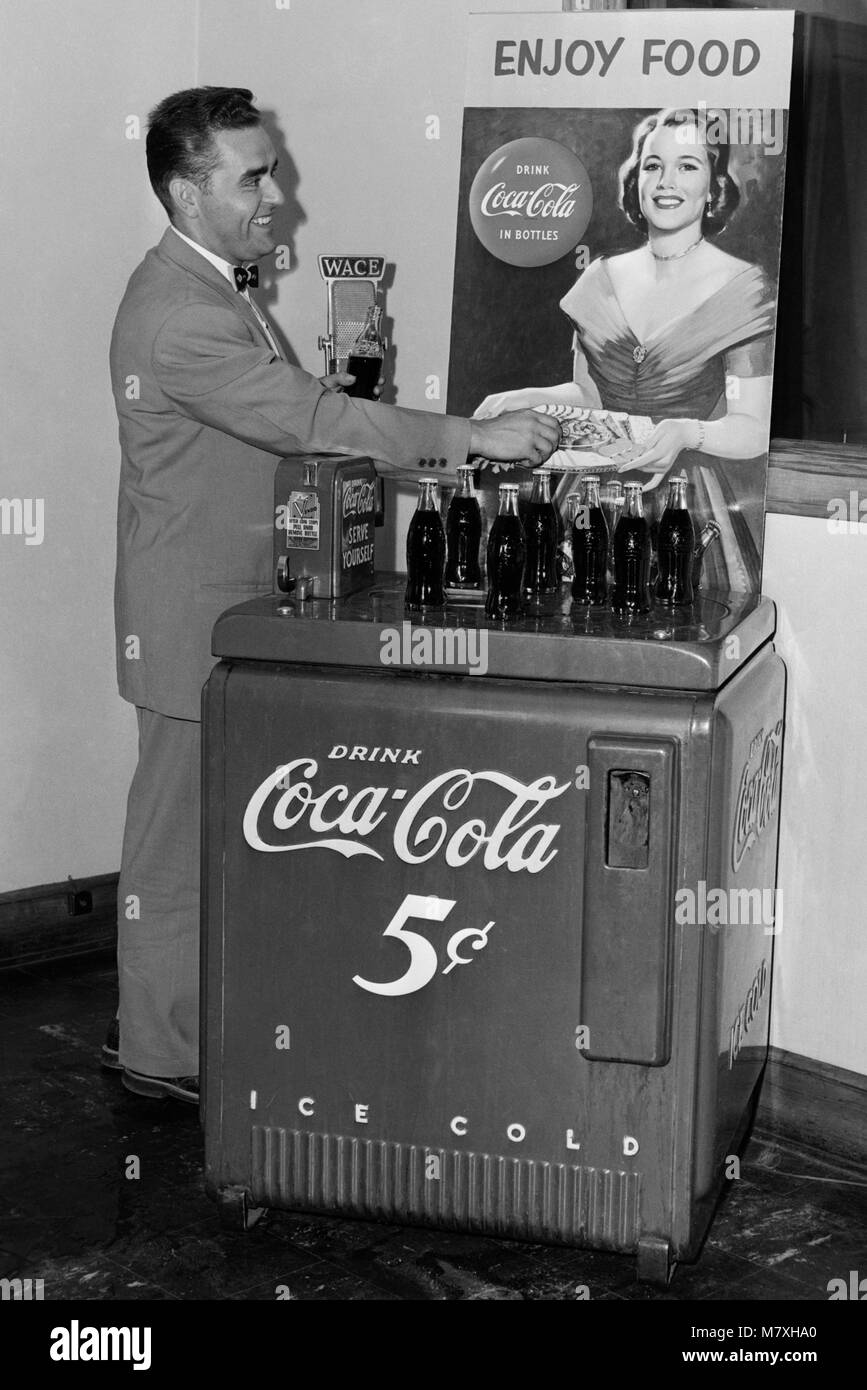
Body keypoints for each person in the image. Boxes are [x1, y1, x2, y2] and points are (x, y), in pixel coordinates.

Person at [106, 87, 559, 1103]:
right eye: (253, 176)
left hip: (232, 612)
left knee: (213, 836)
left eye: (273, 168)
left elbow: (293, 419)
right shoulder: (183, 313)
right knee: (176, 852)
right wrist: (467, 438)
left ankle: (173, 1026)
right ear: (186, 192)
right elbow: (307, 419)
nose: (278, 196)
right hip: (191, 620)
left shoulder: (219, 288)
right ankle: (161, 1059)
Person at [475, 108, 776, 593]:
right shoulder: (599, 279)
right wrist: (523, 398)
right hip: (588, 497)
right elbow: (590, 397)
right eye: (653, 165)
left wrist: (686, 432)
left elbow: (753, 428)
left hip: (682, 505)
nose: (666, 181)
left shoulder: (743, 288)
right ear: (636, 179)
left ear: (713, 186)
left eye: (688, 166)